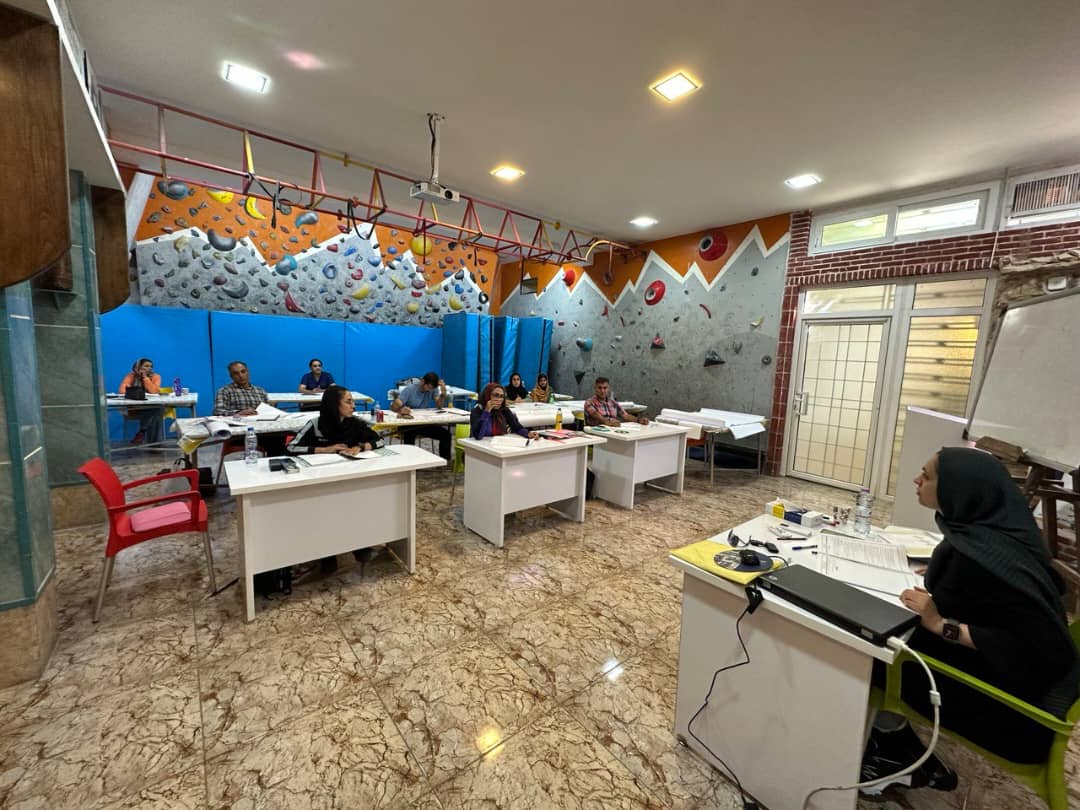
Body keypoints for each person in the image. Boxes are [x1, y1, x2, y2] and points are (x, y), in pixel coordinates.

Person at [861, 448, 1080, 795]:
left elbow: (1038, 649)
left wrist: (941, 624)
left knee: (869, 650)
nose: (917, 480)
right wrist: (942, 583)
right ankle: (896, 741)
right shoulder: (998, 536)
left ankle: (888, 751)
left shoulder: (979, 562)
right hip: (1012, 685)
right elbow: (989, 602)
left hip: (1013, 718)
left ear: (958, 491)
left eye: (927, 476)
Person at [286, 386, 384, 572]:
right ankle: (327, 554)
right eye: (348, 402)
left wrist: (361, 447)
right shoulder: (316, 424)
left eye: (353, 401)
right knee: (325, 512)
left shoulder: (355, 423)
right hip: (320, 483)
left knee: (356, 507)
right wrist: (324, 449)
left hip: (349, 479)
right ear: (334, 405)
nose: (353, 406)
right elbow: (291, 447)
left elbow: (379, 441)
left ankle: (359, 546)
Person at [390, 371, 451, 460]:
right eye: (428, 387)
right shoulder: (410, 389)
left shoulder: (433, 389)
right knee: (409, 433)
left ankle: (445, 461)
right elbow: (393, 407)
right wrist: (401, 409)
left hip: (423, 422)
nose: (429, 390)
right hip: (408, 423)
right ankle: (409, 461)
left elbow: (439, 406)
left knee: (446, 435)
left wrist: (443, 393)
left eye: (432, 388)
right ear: (422, 381)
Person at [118, 357, 164, 444]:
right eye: (146, 366)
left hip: (150, 407)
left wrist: (145, 378)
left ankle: (142, 432)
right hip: (134, 408)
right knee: (157, 411)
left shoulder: (156, 377)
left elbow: (154, 391)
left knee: (158, 408)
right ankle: (154, 444)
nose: (149, 368)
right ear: (138, 367)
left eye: (151, 366)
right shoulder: (131, 376)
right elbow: (122, 391)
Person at [470, 383, 539, 440]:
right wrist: (487, 411)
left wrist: (528, 433)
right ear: (487, 395)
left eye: (501, 396)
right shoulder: (477, 411)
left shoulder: (504, 410)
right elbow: (478, 435)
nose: (499, 399)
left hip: (498, 445)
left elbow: (516, 427)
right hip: (479, 447)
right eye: (496, 395)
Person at [583, 377, 648, 427]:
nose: (602, 391)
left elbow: (625, 415)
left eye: (605, 388)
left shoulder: (613, 402)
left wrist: (638, 420)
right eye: (599, 388)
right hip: (597, 432)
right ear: (595, 388)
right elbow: (595, 414)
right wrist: (607, 422)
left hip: (613, 430)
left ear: (608, 389)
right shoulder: (589, 402)